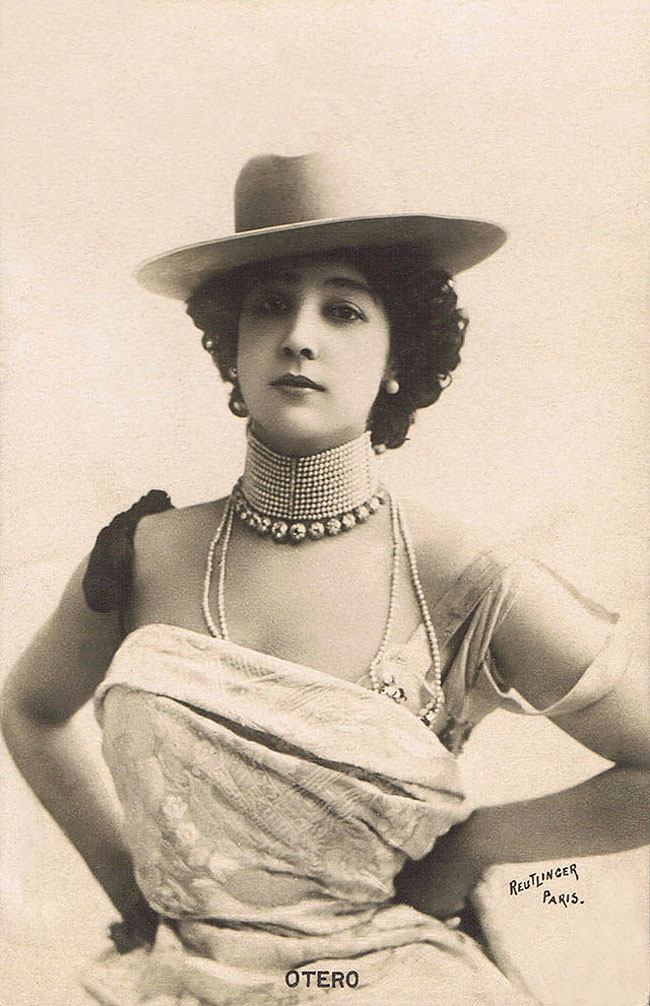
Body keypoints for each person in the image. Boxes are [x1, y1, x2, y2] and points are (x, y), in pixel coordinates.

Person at [1, 152, 647, 1005]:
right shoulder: (141, 554)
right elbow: (30, 709)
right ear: (232, 344)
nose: (299, 336)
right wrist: (136, 894)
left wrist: (476, 847)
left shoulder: (465, 577)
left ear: (397, 353)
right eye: (270, 305)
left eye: (343, 310)